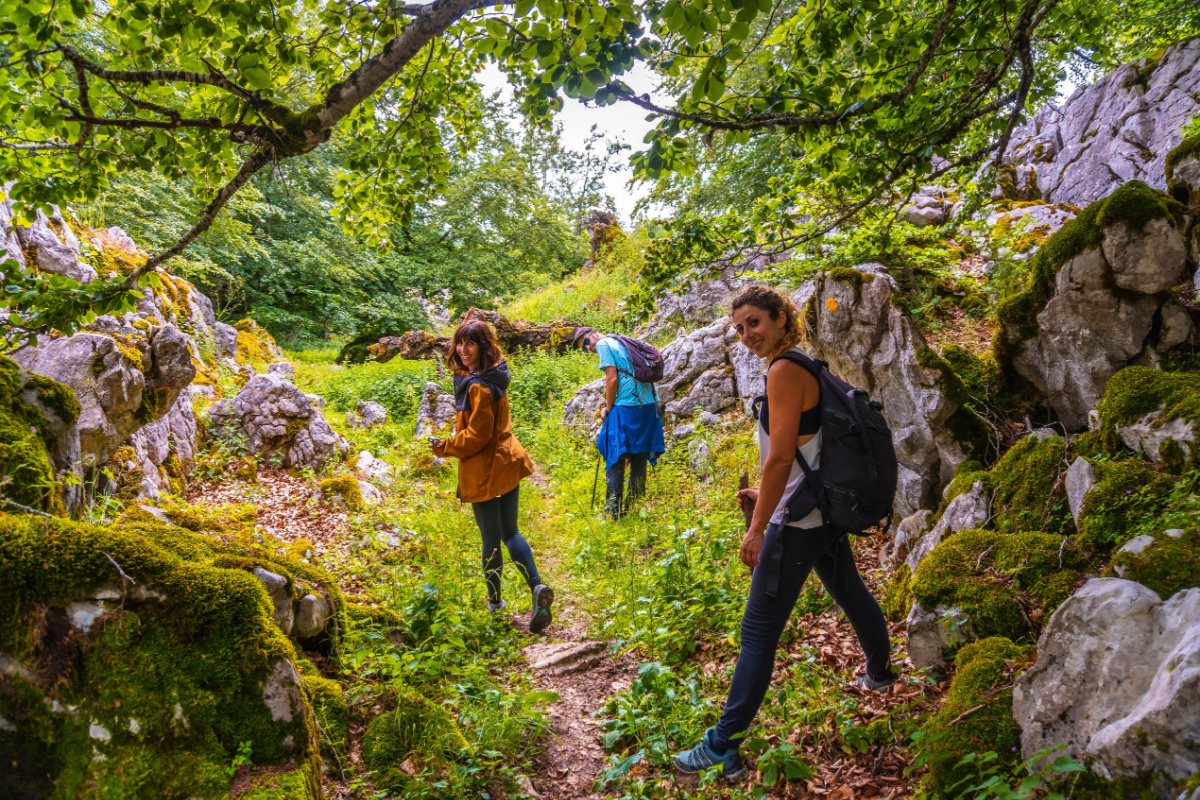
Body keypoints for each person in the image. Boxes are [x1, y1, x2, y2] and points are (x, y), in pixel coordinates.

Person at [673, 286, 896, 780]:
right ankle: (880, 675)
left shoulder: (782, 370)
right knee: (849, 590)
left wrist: (758, 528)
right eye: (739, 328)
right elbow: (802, 451)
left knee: (757, 633)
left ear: (779, 318)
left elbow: (777, 458)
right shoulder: (804, 364)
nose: (747, 334)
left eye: (754, 322)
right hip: (818, 512)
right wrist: (766, 500)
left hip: (796, 524)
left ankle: (721, 745)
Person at [430, 320, 554, 633]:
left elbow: (477, 436)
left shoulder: (477, 386)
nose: (462, 350)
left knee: (492, 539)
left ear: (484, 346)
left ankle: (496, 604)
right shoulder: (494, 373)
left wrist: (445, 446)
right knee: (511, 532)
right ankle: (537, 587)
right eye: (459, 343)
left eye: (470, 344)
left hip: (485, 468)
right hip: (507, 460)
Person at [573, 327, 665, 520]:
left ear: (594, 334)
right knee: (639, 458)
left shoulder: (604, 344)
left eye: (587, 343)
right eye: (584, 348)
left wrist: (607, 408)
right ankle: (633, 509)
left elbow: (612, 378)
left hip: (627, 407)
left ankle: (612, 513)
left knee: (615, 457)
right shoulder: (620, 342)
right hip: (647, 406)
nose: (588, 348)